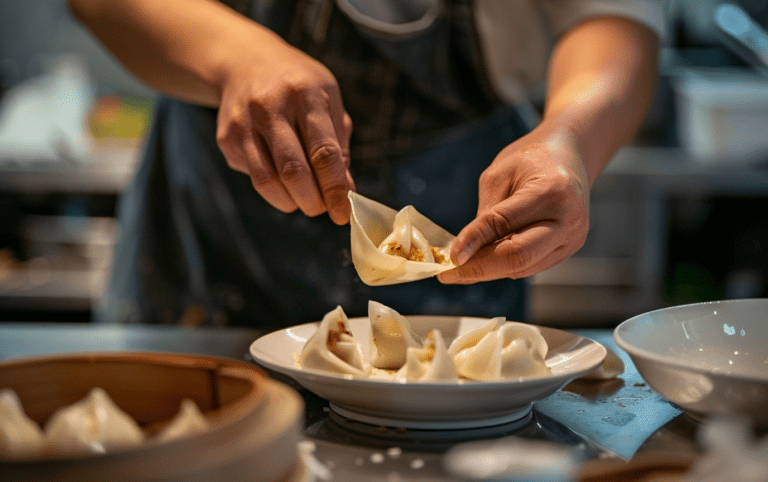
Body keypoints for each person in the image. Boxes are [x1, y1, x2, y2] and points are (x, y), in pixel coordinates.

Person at [69, 0, 664, 328]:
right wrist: (238, 57)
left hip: (463, 192)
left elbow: (615, 19)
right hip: (219, 215)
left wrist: (568, 138)